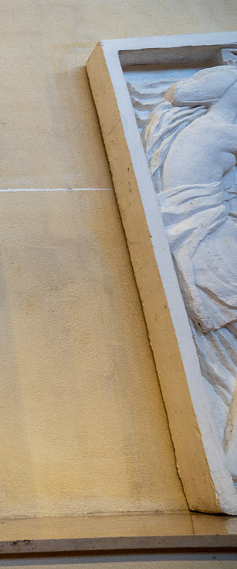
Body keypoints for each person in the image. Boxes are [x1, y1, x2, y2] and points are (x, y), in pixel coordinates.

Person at [142, 60, 237, 477]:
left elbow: (177, 93)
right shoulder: (224, 133)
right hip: (206, 238)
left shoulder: (201, 128)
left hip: (193, 233)